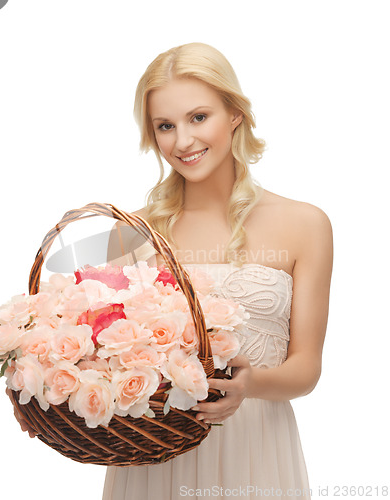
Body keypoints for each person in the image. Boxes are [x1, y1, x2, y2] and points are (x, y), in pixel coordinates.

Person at [102, 42, 333, 500]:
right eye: (165, 126)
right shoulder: (131, 233)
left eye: (198, 117)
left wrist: (250, 385)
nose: (182, 141)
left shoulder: (306, 225)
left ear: (234, 113)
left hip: (258, 448)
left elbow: (306, 368)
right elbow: (108, 357)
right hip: (156, 453)